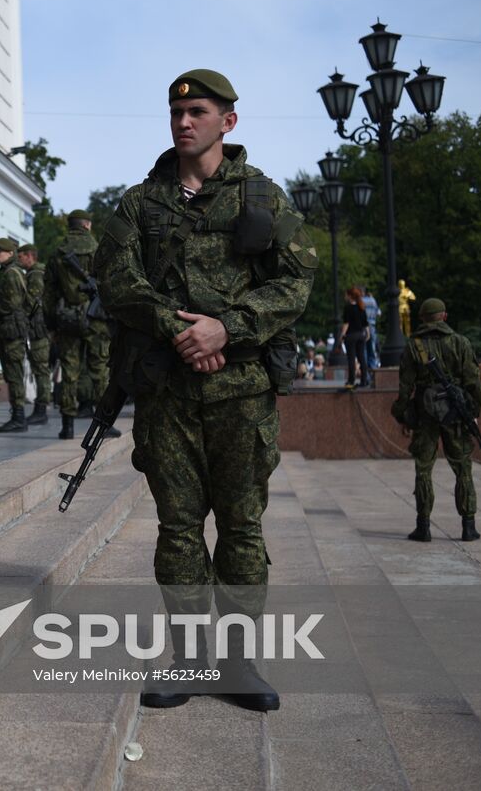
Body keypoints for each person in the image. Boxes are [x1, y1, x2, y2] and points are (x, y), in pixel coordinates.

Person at [95, 69, 315, 712]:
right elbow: (116, 280)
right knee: (179, 530)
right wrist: (177, 328)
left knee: (243, 530)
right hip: (167, 393)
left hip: (242, 394)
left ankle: (239, 665)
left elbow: (295, 283)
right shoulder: (140, 203)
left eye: (197, 111)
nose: (184, 121)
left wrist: (228, 328)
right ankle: (189, 660)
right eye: (176, 111)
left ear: (228, 122)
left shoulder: (263, 199)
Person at [392, 298, 481, 543]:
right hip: (455, 414)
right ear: (444, 316)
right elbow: (473, 383)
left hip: (425, 415)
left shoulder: (414, 345)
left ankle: (423, 526)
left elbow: (405, 388)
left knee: (423, 470)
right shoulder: (460, 343)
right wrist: (474, 412)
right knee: (463, 468)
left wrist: (402, 416)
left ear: (422, 319)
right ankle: (468, 526)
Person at [44, 209, 110, 440]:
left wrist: (51, 323)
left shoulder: (58, 252)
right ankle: (104, 424)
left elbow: (49, 293)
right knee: (99, 370)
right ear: (87, 225)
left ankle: (68, 425)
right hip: (97, 319)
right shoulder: (100, 248)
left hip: (68, 318)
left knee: (69, 372)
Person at [0, 237, 32, 433]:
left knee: (14, 375)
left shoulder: (11, 273)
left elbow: (12, 303)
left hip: (12, 333)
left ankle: (19, 417)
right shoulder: (6, 271)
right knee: (12, 374)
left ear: (10, 253)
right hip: (8, 331)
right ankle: (17, 415)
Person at [16, 244, 51, 425]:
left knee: (41, 370)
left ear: (30, 256)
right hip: (37, 327)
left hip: (38, 328)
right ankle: (40, 407)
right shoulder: (34, 273)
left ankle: (41, 409)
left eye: (20, 256)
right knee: (40, 369)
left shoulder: (36, 274)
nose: (19, 259)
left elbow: (32, 302)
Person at [337, 286, 369, 389]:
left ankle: (351, 381)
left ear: (350, 296)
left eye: (346, 294)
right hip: (361, 335)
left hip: (351, 336)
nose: (345, 296)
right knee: (362, 358)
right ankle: (364, 381)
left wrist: (342, 335)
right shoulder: (361, 306)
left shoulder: (348, 307)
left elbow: (346, 323)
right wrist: (367, 334)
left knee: (351, 358)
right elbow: (365, 323)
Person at [361, 285, 380, 369]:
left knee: (364, 350)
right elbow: (379, 313)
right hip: (372, 326)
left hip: (363, 327)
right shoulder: (372, 300)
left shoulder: (360, 301)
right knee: (372, 349)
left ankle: (366, 374)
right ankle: (373, 370)